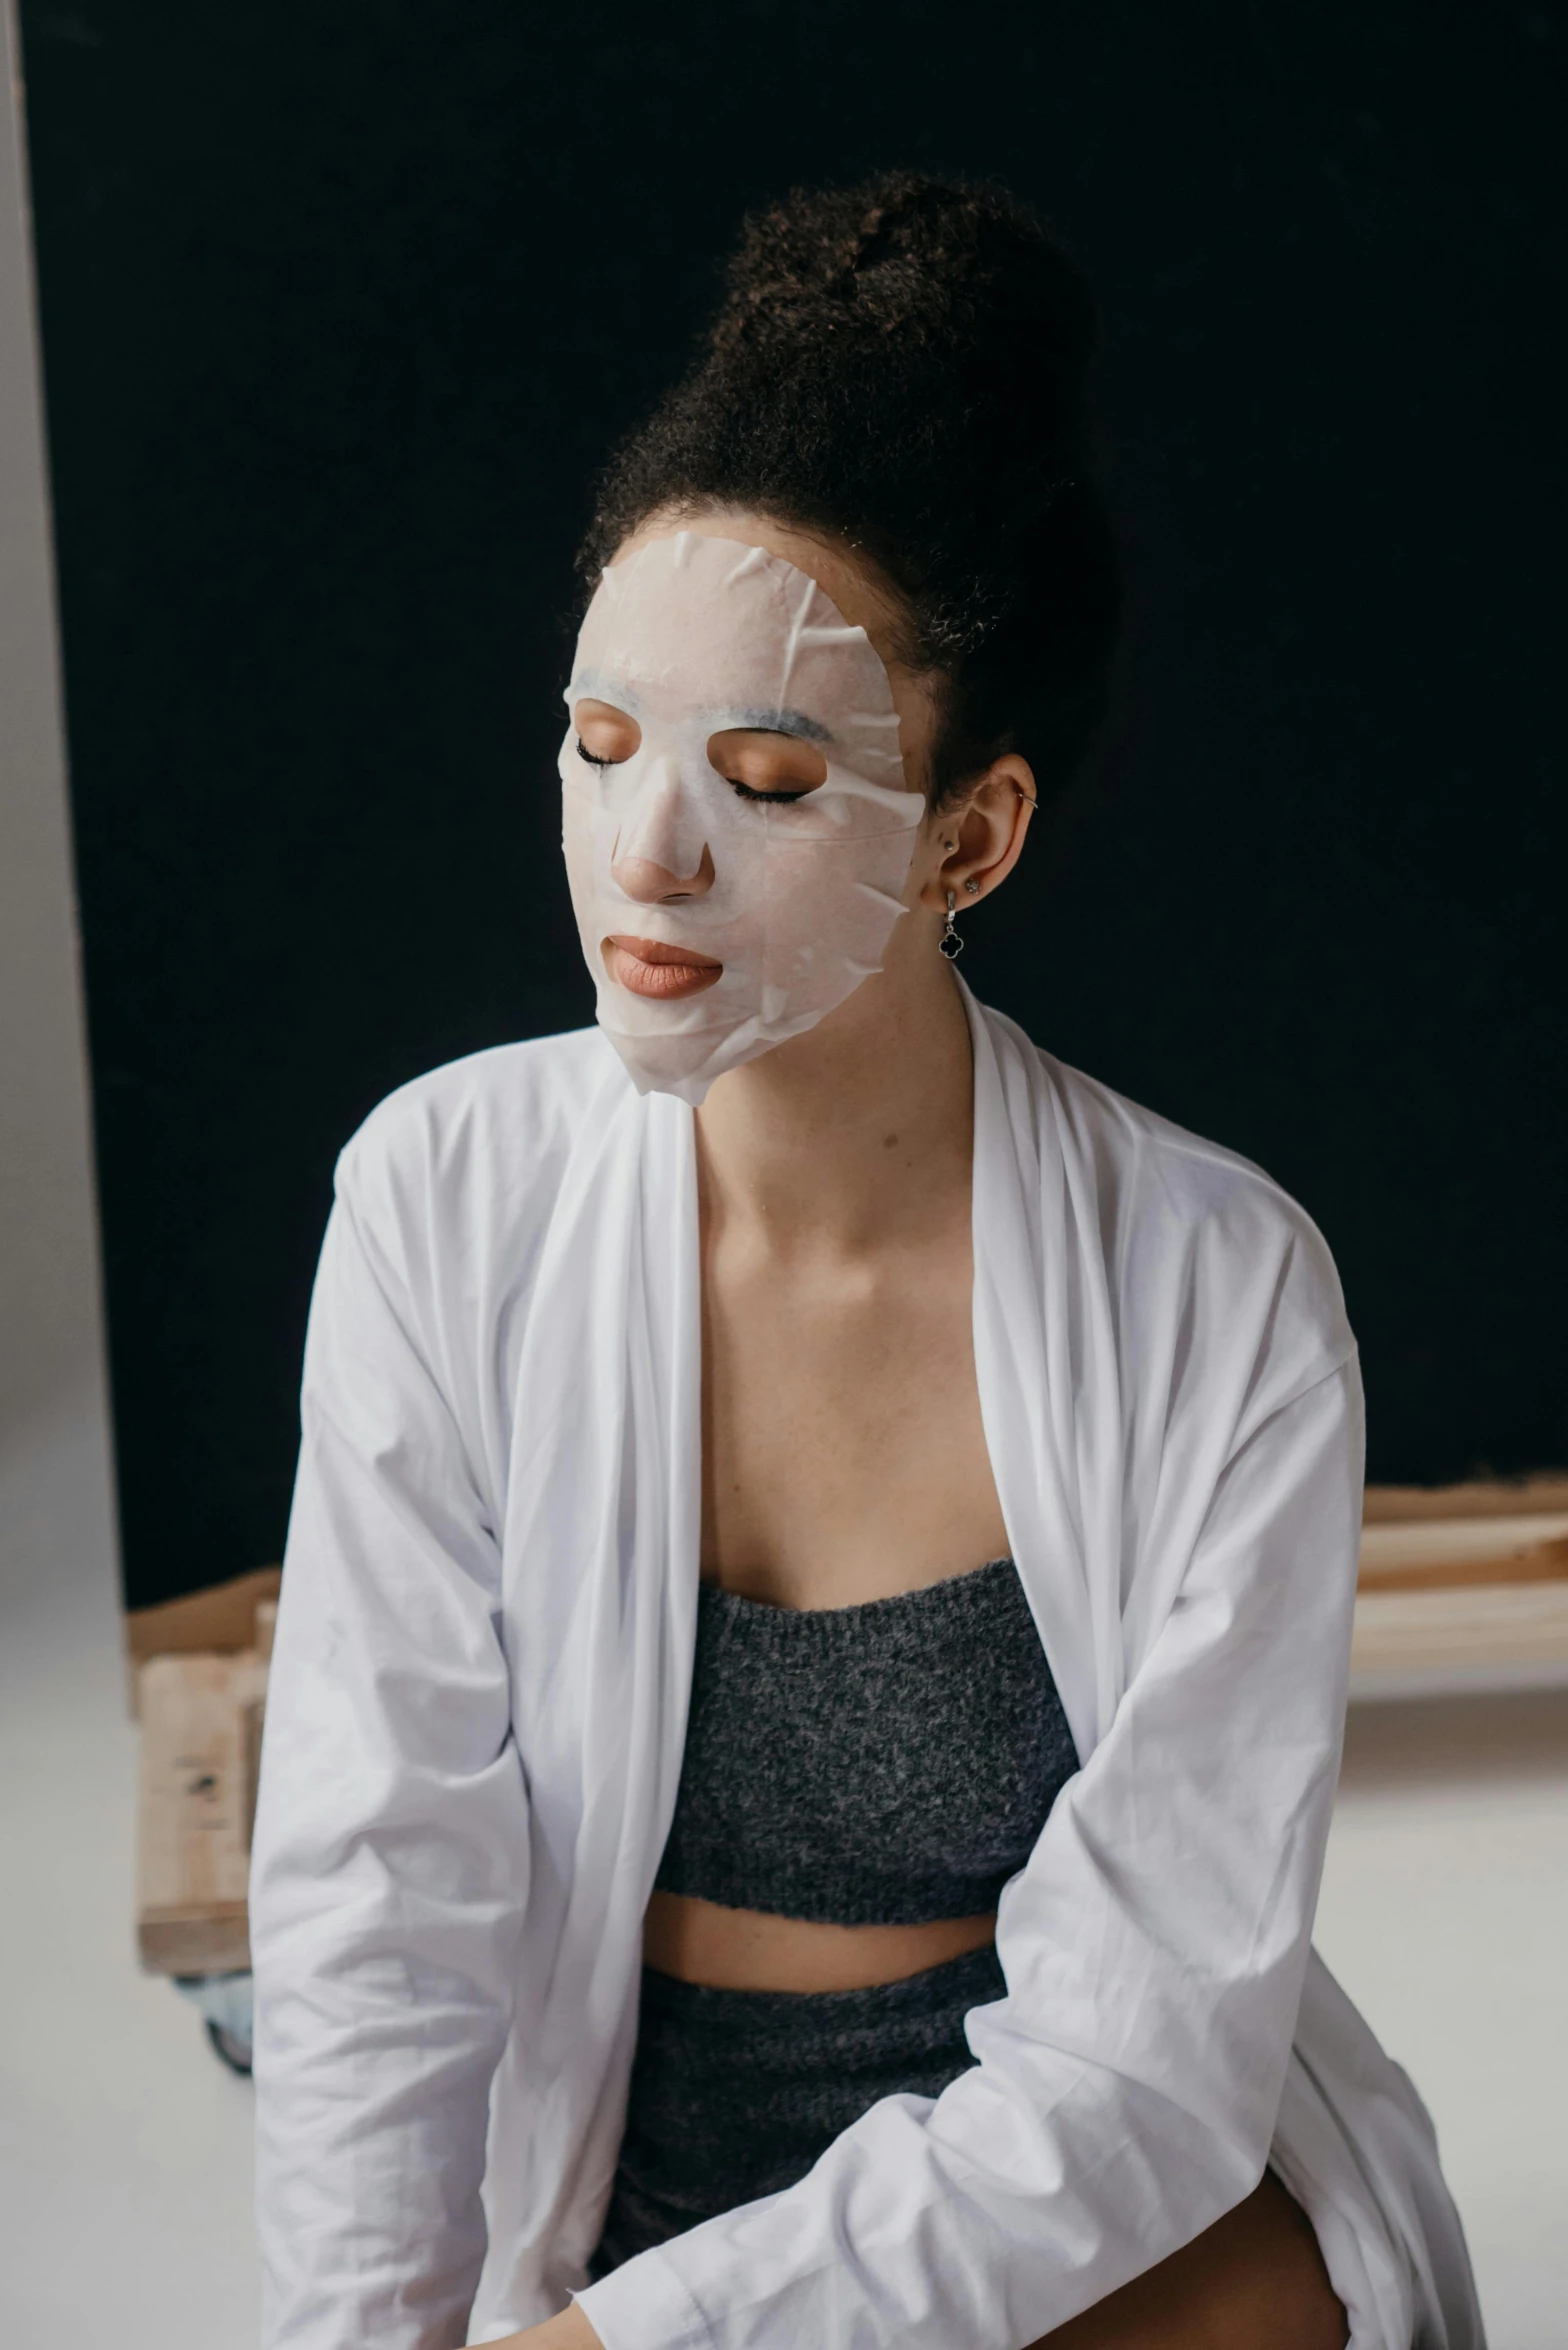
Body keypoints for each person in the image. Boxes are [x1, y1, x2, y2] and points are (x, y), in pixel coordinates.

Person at [249, 174, 1482, 2350]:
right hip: (613, 2138)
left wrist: (637, 2349)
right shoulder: (442, 1194)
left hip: (1065, 2184)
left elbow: (1134, 2067)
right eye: (599, 742)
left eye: (764, 770)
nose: (647, 851)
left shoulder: (1222, 1295)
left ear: (967, 832)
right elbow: (377, 1894)